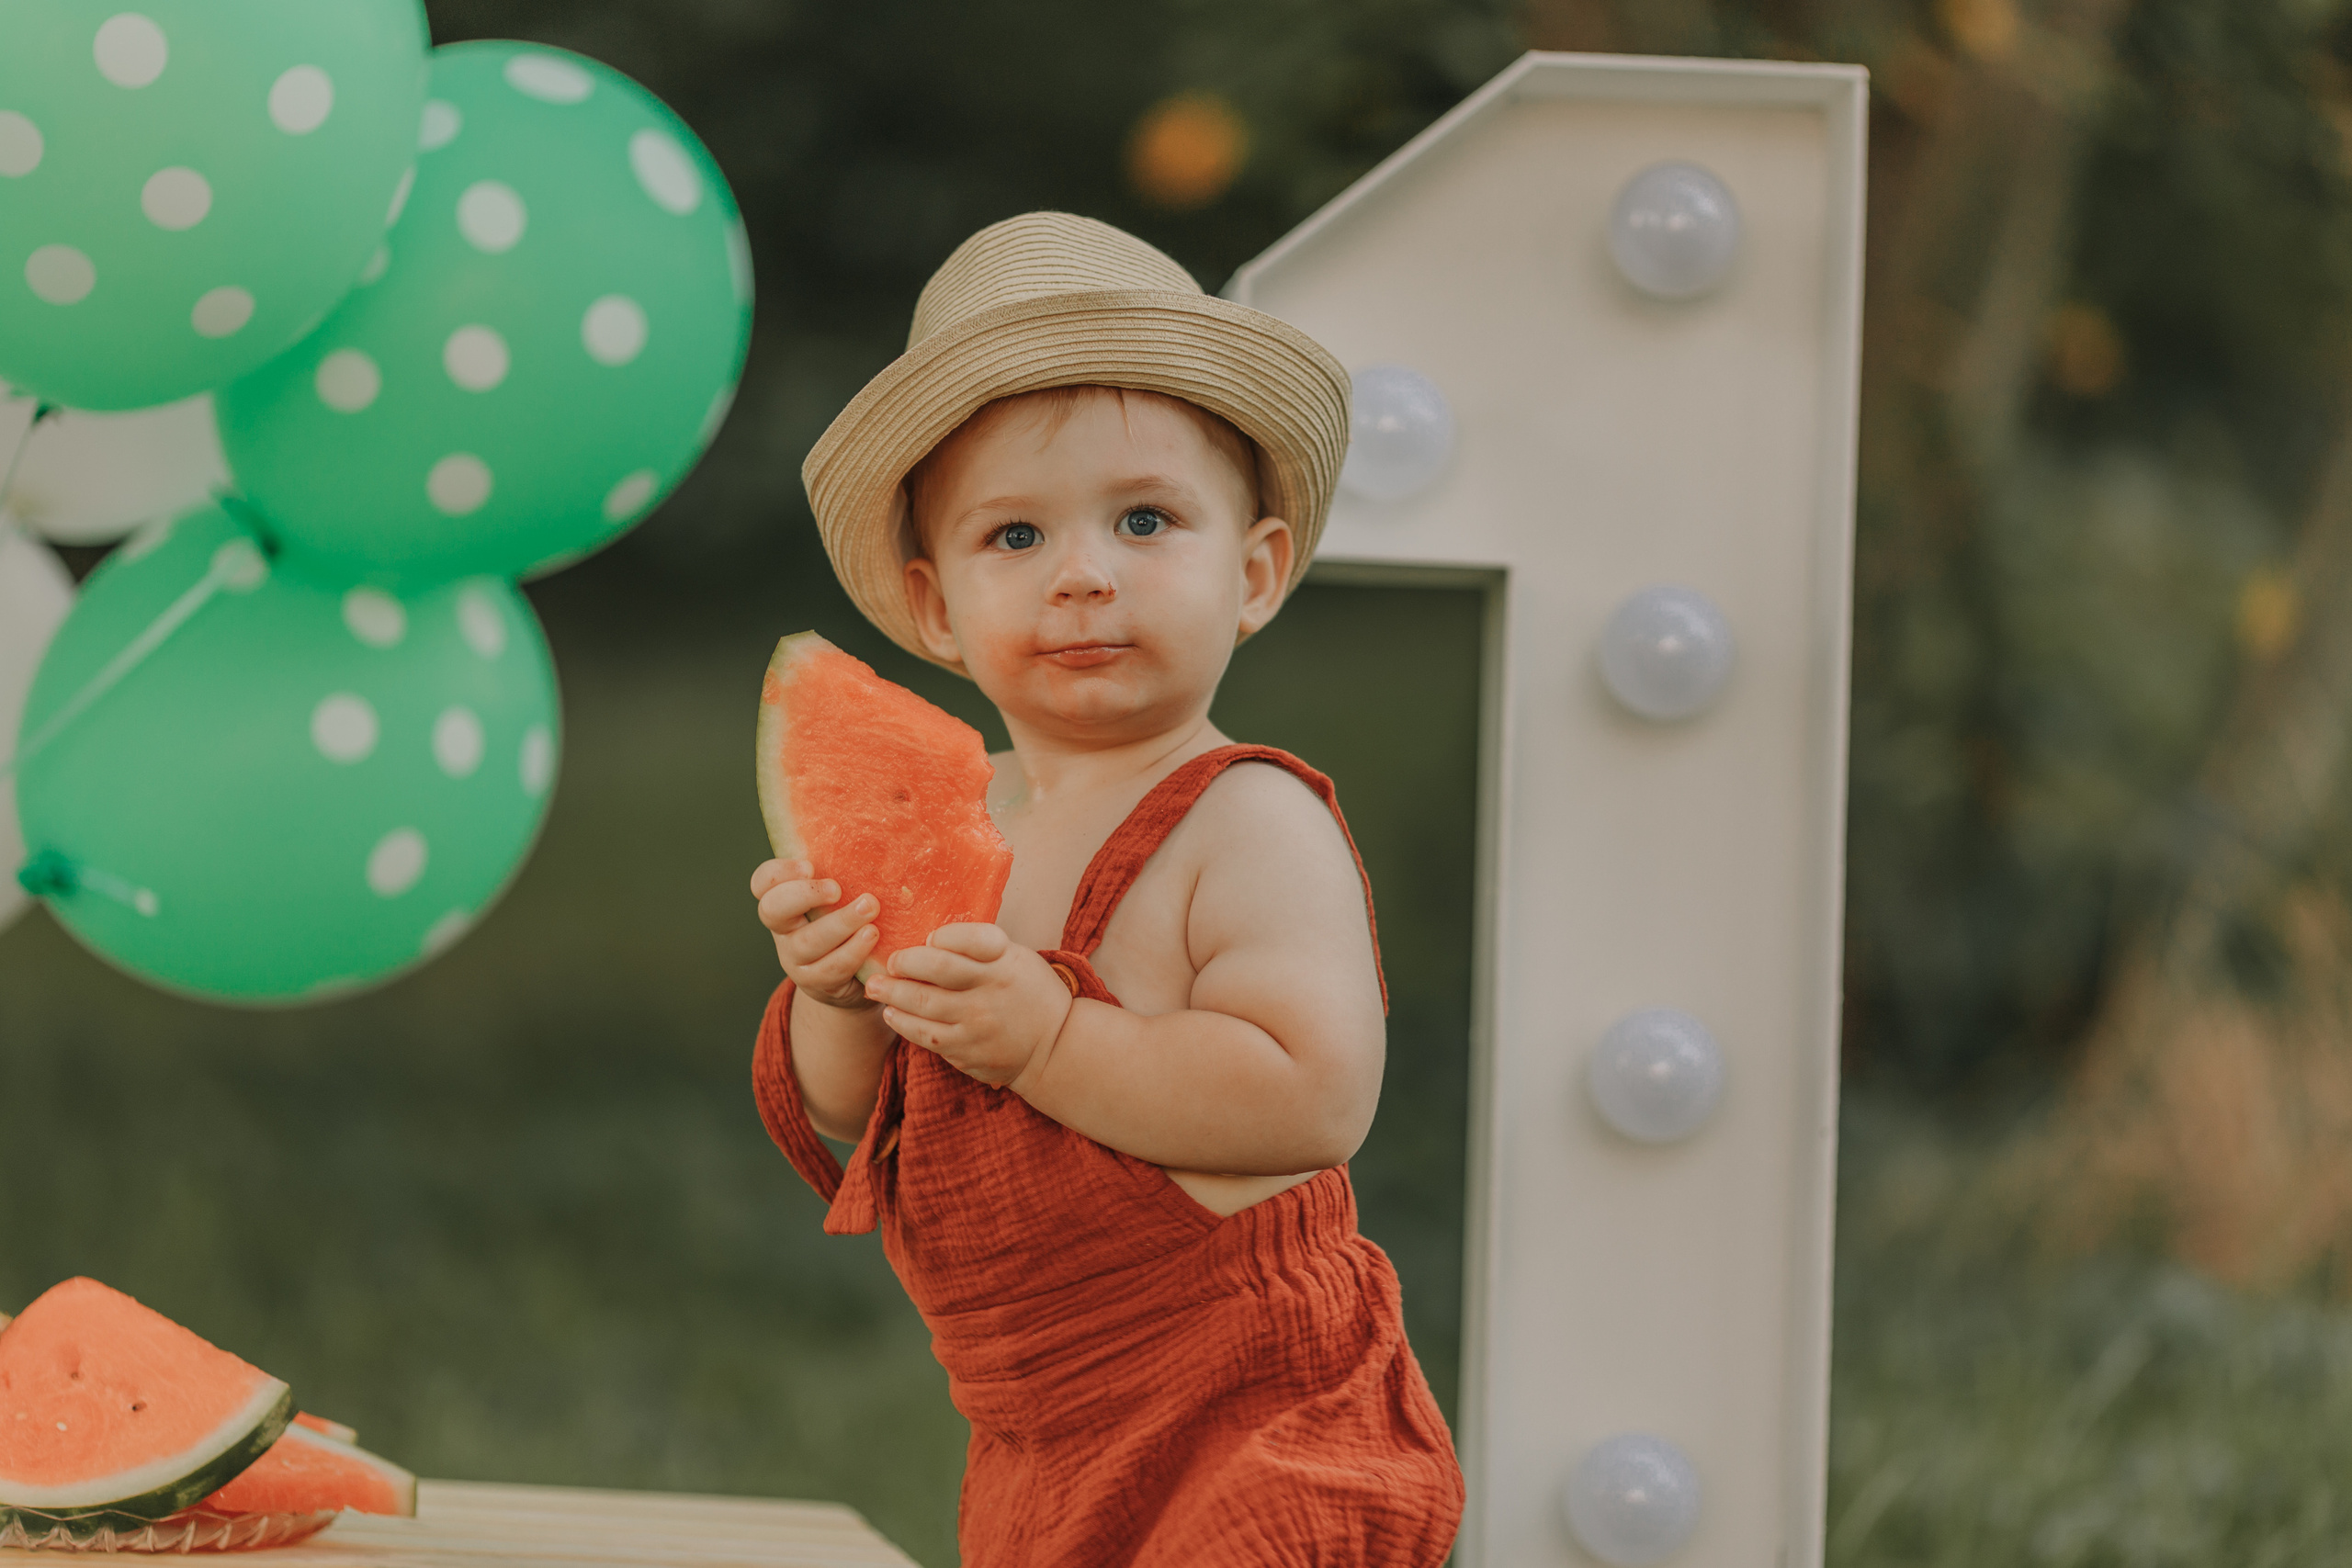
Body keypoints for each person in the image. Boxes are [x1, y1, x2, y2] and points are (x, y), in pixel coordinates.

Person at [747, 211, 1463, 1567]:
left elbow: (1314, 1094)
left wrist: (1053, 1039)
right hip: (1039, 1445)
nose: (1084, 573)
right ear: (936, 605)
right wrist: (835, 991)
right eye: (1014, 537)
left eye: (1145, 520)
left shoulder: (1246, 817)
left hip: (1254, 1418)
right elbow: (849, 1111)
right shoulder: (964, 826)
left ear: (1251, 574)